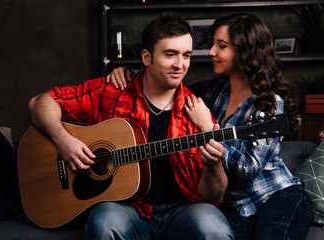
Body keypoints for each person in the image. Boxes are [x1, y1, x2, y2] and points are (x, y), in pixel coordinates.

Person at [27, 12, 233, 240]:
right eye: (170, 54)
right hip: (127, 209)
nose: (180, 65)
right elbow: (40, 103)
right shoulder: (112, 91)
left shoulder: (198, 114)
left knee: (216, 230)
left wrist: (214, 165)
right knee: (104, 224)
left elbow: (213, 197)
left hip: (182, 209)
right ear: (146, 57)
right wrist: (62, 140)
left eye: (186, 55)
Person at [107, 13, 312, 240]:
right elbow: (165, 84)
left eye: (221, 46)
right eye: (213, 44)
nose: (211, 52)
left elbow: (249, 168)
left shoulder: (269, 103)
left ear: (245, 51)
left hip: (275, 196)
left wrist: (210, 128)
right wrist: (129, 74)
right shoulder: (211, 92)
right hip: (234, 205)